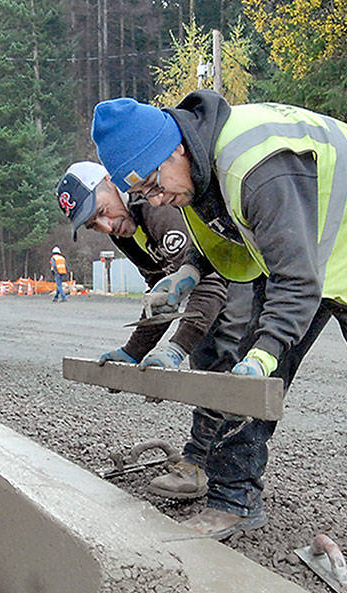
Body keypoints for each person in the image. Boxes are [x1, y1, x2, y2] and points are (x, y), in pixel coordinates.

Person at [90, 91, 347, 564]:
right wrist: (190, 272)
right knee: (249, 369)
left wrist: (267, 351)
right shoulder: (193, 171)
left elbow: (296, 280)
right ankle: (233, 500)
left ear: (174, 148)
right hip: (296, 235)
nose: (156, 200)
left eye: (154, 185)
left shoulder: (255, 167)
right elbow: (226, 235)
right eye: (146, 195)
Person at [56, 160, 252, 499]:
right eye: (93, 224)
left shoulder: (152, 208)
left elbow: (211, 278)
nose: (105, 225)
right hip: (213, 283)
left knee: (220, 363)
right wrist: (134, 350)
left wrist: (175, 348)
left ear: (110, 182)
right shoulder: (125, 229)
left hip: (238, 278)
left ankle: (218, 475)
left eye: (102, 210)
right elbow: (159, 294)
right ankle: (210, 465)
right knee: (209, 357)